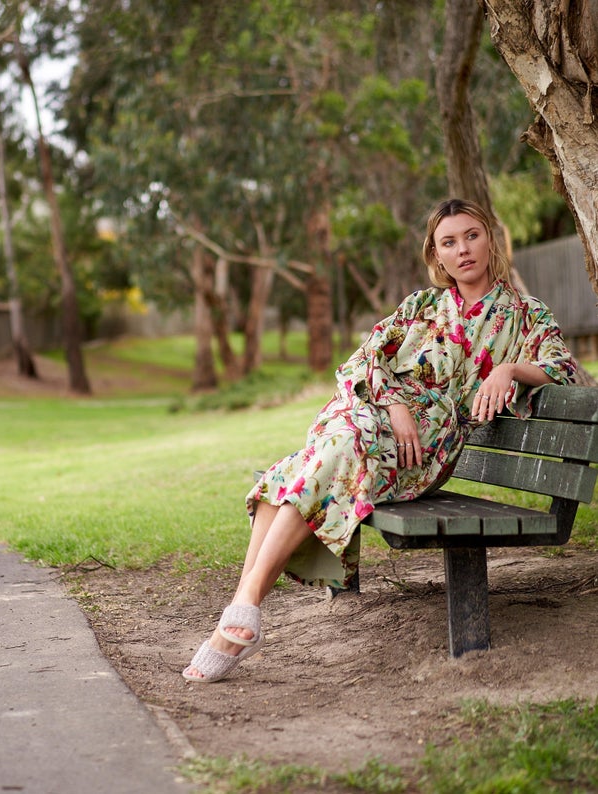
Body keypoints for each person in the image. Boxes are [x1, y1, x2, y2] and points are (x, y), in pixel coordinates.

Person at [182, 197, 577, 683]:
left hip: (423, 448)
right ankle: (243, 609)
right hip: (374, 416)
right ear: (436, 255)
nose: (463, 250)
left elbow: (562, 368)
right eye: (448, 242)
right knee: (330, 451)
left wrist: (509, 368)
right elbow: (362, 361)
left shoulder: (523, 314)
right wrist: (392, 405)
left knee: (316, 462)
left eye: (471, 236)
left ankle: (241, 612)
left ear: (490, 238)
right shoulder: (421, 307)